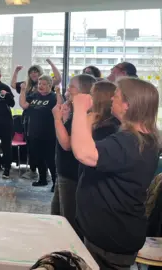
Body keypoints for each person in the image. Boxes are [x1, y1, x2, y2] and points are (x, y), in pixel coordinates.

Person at [72, 77, 160, 269]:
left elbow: (83, 153)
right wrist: (88, 119)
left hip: (112, 238)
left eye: (117, 96)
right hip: (110, 234)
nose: (112, 99)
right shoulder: (142, 138)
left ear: (128, 105)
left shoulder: (130, 142)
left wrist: (79, 109)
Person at [51, 74, 96, 239]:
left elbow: (67, 144)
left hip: (72, 174)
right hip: (63, 172)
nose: (67, 90)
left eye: (71, 87)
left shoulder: (85, 115)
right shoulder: (75, 111)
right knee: (56, 215)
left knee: (68, 223)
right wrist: (64, 119)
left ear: (84, 92)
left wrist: (57, 120)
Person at [11, 59, 61, 180]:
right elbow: (14, 86)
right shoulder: (29, 88)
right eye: (32, 72)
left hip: (47, 127)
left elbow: (58, 79)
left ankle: (50, 177)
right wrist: (16, 71)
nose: (34, 75)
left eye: (36, 72)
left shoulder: (50, 90)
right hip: (30, 123)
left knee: (48, 154)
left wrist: (51, 63)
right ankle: (36, 172)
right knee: (33, 150)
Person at [19, 75, 63, 191]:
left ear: (50, 85)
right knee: (38, 158)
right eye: (39, 84)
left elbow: (60, 106)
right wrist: (23, 90)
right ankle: (42, 179)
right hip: (34, 133)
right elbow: (23, 105)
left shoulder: (53, 97)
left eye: (43, 84)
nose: (41, 86)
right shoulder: (34, 96)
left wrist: (58, 92)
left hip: (49, 134)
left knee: (50, 160)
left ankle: (55, 183)